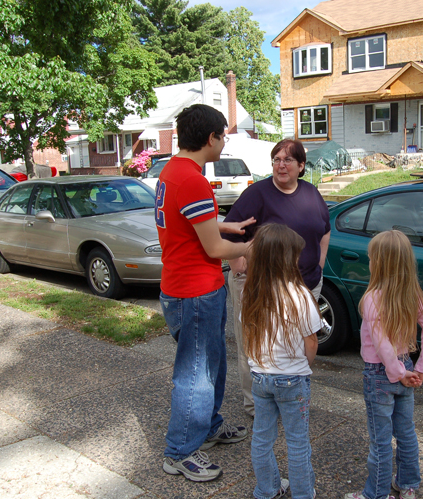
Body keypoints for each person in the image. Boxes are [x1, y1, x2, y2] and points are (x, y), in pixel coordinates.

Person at [155, 104, 256, 482]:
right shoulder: (193, 179)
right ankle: (179, 452)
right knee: (195, 374)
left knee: (213, 364)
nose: (224, 141)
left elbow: (192, 223)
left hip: (191, 287)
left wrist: (228, 226)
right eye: (223, 135)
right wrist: (251, 247)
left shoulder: (173, 171)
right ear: (211, 138)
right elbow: (213, 250)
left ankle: (209, 427)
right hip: (194, 292)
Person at [223, 138, 330, 417]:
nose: (281, 166)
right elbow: (227, 233)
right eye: (276, 160)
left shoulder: (311, 193)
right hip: (262, 288)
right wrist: (239, 266)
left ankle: (289, 397)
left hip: (305, 284)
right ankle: (256, 405)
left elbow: (325, 229)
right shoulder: (256, 194)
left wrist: (318, 262)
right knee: (255, 345)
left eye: (287, 160)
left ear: (301, 166)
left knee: (296, 344)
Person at [345, 230, 423, 499]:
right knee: (406, 433)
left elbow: (381, 343)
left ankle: (375, 494)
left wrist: (397, 373)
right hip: (406, 368)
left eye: (372, 258)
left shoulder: (373, 298)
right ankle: (408, 486)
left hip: (381, 375)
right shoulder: (414, 294)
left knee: (381, 440)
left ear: (382, 262)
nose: (370, 263)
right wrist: (419, 369)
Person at [241, 223, 321, 499]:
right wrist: (305, 365)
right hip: (292, 379)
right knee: (298, 442)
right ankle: (302, 494)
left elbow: (247, 332)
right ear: (286, 260)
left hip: (260, 378)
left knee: (262, 438)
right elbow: (312, 341)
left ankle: (267, 490)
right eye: (296, 256)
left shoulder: (250, 292)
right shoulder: (299, 295)